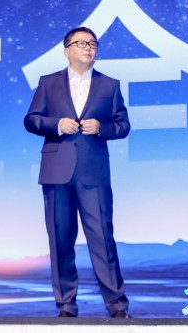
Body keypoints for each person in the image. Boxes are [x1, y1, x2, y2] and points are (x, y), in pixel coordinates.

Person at [24, 26, 131, 318]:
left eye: (92, 44)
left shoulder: (109, 85)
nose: (88, 47)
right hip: (56, 171)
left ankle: (117, 306)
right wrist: (57, 125)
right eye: (81, 43)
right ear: (67, 51)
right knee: (60, 241)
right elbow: (31, 119)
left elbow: (123, 125)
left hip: (93, 173)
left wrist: (102, 128)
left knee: (102, 239)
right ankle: (66, 306)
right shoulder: (48, 83)